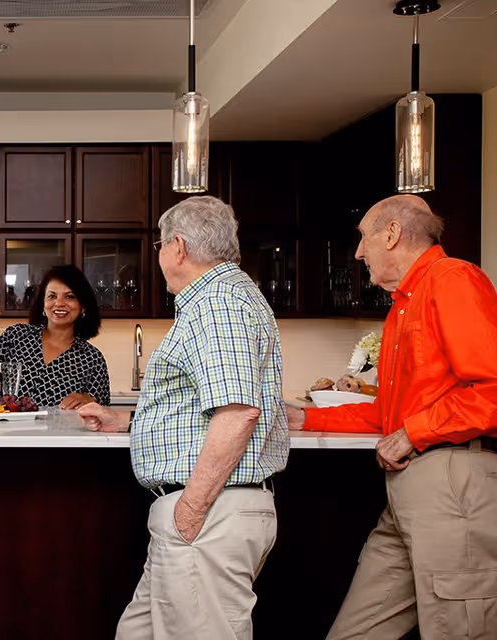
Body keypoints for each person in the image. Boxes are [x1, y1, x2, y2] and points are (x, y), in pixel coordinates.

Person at [287, 194, 497, 639]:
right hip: (408, 491)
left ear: (392, 233)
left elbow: (493, 392)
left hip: (452, 483)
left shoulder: (454, 281)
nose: (359, 252)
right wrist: (306, 420)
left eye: (364, 238)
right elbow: (390, 414)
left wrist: (413, 433)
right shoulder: (405, 303)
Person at [78, 196, 289, 639]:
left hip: (207, 514)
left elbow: (237, 412)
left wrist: (190, 511)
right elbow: (201, 407)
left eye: (158, 245)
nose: (157, 256)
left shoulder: (217, 304)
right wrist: (129, 422)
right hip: (204, 514)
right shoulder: (219, 299)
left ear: (177, 247)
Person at [0, 264, 110, 408]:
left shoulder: (92, 359)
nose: (59, 303)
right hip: (7, 428)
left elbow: (103, 414)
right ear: (43, 303)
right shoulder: (16, 336)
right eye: (52, 296)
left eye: (70, 296)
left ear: (83, 306)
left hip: (62, 431)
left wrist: (90, 401)